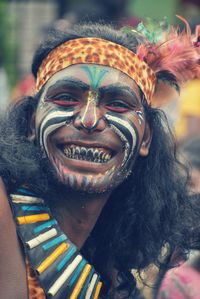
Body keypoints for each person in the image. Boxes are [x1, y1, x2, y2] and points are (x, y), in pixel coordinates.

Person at [0, 20, 199, 299]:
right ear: (32, 123)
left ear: (145, 139)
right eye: (67, 98)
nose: (89, 120)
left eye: (117, 104)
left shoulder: (111, 262)